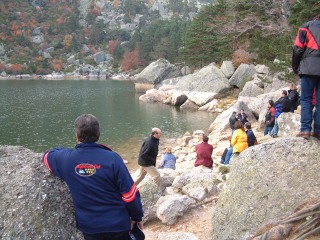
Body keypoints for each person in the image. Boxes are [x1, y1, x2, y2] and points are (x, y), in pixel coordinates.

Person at [42, 114, 143, 240]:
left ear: (77, 136)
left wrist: (63, 151)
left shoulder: (66, 159)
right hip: (117, 224)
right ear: (98, 134)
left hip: (90, 228)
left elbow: (46, 156)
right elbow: (130, 195)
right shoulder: (113, 158)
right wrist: (137, 217)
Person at [292, 14, 320, 140]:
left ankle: (305, 130)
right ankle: (318, 131)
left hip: (308, 68)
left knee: (306, 99)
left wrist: (295, 66)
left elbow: (298, 49)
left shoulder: (306, 26)